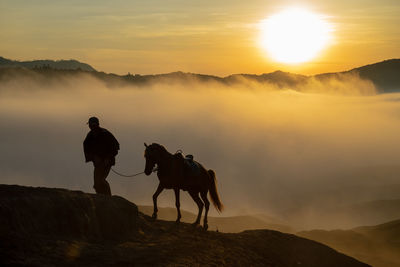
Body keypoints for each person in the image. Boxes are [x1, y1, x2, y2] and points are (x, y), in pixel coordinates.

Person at [83, 117, 119, 196]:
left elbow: (116, 147)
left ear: (97, 125)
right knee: (97, 183)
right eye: (90, 125)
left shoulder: (105, 134)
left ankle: (108, 197)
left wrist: (108, 158)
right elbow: (86, 149)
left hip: (107, 162)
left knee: (100, 180)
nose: (91, 127)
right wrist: (93, 158)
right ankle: (101, 196)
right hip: (98, 163)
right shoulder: (89, 136)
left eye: (93, 125)